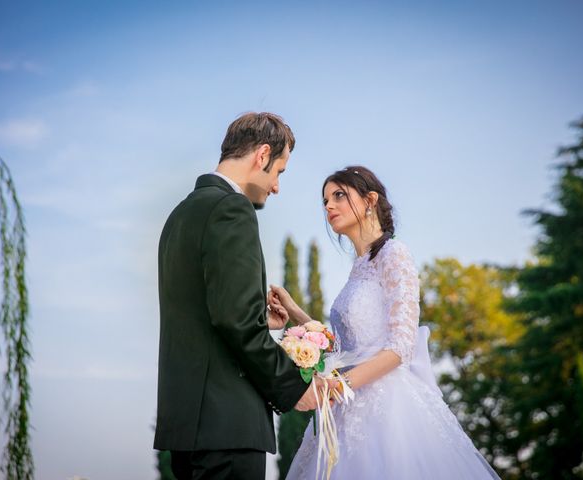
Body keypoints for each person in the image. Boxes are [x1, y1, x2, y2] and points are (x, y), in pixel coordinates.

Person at [271, 166, 501, 479]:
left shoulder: (394, 254)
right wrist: (294, 309)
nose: (328, 206)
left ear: (370, 200)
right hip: (347, 404)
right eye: (324, 200)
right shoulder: (358, 268)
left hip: (390, 410)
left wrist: (337, 387)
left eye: (339, 195)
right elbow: (346, 347)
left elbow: (401, 346)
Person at [154, 112, 331, 480]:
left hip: (188, 426)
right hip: (227, 426)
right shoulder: (232, 209)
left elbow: (205, 311)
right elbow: (234, 321)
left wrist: (259, 317)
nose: (277, 187)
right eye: (280, 171)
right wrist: (291, 387)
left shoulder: (180, 215)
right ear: (262, 155)